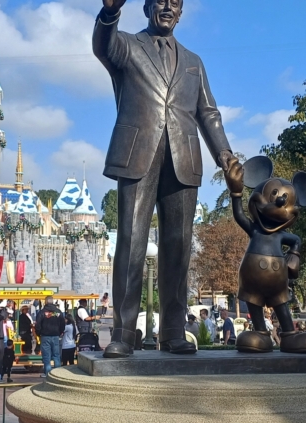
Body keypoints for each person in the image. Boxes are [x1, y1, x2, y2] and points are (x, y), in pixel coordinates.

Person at [93, 0, 237, 359]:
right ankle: (124, 334)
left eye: (175, 2)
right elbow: (102, 46)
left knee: (179, 246)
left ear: (182, 12)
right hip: (138, 152)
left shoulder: (194, 62)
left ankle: (173, 331)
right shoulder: (127, 45)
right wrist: (109, 13)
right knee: (131, 242)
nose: (168, 7)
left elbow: (209, 114)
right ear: (147, 8)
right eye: (161, 1)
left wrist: (225, 155)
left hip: (183, 157)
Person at [37, 304, 65, 377]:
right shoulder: (58, 312)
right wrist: (59, 332)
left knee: (46, 356)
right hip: (56, 335)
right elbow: (63, 324)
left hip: (45, 336)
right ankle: (58, 374)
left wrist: (39, 333)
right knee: (56, 355)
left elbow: (38, 325)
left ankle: (47, 374)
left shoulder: (42, 312)